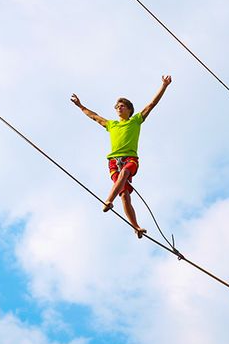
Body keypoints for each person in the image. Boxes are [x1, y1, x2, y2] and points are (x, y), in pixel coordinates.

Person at [71, 75, 172, 238]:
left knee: (125, 173)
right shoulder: (111, 124)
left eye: (122, 106)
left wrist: (164, 86)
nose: (119, 108)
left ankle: (108, 200)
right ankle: (136, 227)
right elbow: (94, 116)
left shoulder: (136, 120)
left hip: (130, 159)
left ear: (129, 109)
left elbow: (151, 105)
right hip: (113, 161)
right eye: (117, 106)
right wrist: (80, 105)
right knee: (124, 195)